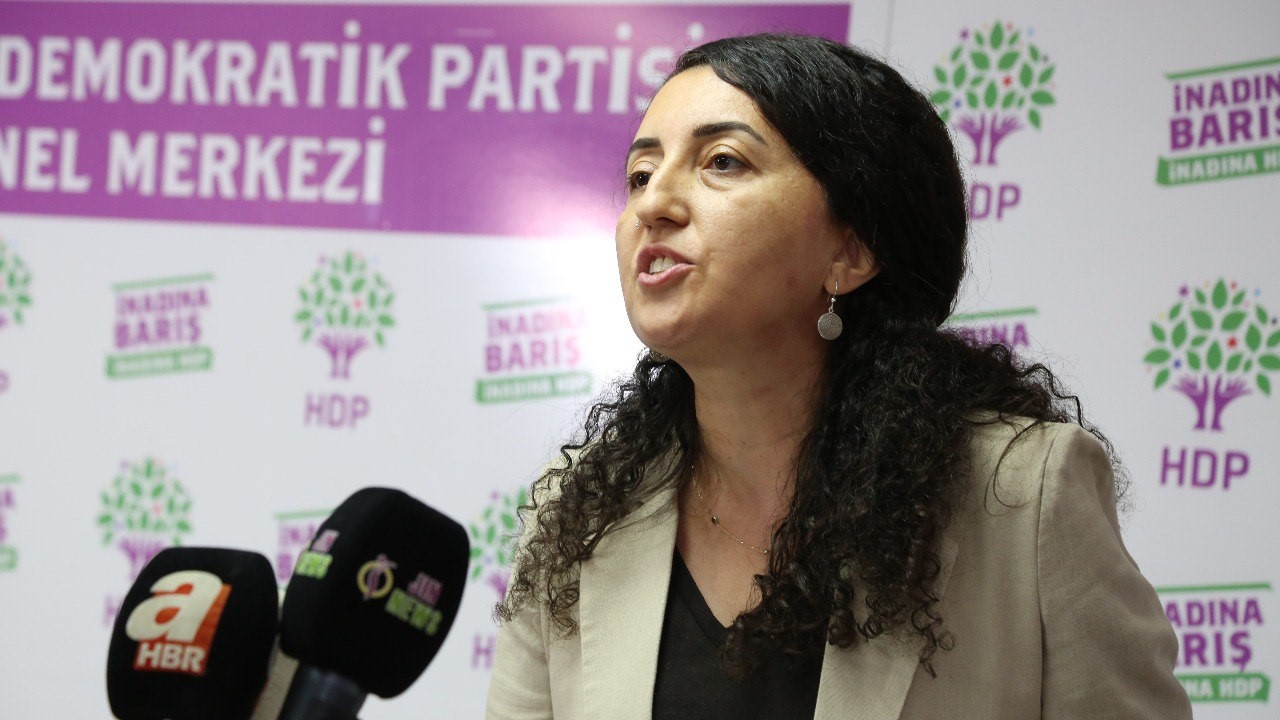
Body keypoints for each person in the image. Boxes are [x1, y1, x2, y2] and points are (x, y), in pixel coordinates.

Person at [485, 33, 1191, 720]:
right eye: (640, 175)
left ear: (852, 250)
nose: (652, 204)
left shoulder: (1023, 494)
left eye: (722, 162)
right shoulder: (575, 516)